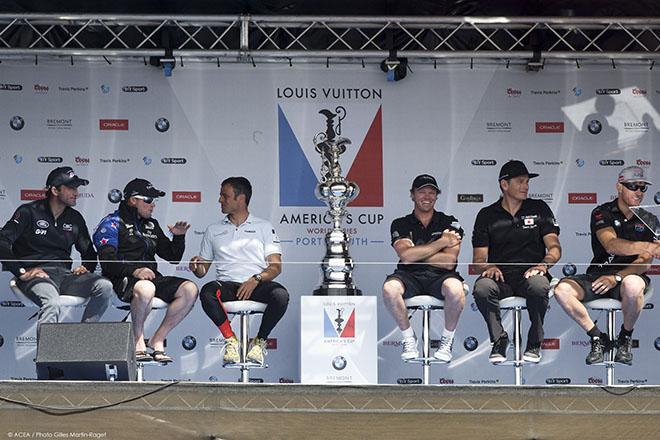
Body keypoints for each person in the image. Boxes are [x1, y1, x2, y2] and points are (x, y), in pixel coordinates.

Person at [554, 166, 660, 366]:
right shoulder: (602, 212)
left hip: (628, 277)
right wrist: (647, 245)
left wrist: (617, 278)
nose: (638, 191)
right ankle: (597, 337)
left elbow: (644, 263)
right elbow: (611, 245)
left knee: (633, 285)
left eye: (643, 188)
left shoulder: (650, 220)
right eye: (632, 186)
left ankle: (625, 338)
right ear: (619, 187)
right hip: (599, 274)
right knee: (562, 290)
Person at [93, 178, 198, 363]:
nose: (153, 205)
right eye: (149, 200)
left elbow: (172, 257)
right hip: (122, 279)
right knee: (146, 288)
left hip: (150, 278)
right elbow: (107, 262)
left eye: (154, 201)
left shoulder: (152, 225)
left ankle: (158, 338)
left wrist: (179, 238)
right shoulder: (111, 223)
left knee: (190, 289)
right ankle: (138, 341)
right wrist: (135, 271)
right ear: (133, 200)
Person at [189, 177, 289, 366]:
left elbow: (276, 267)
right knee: (207, 291)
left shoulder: (264, 227)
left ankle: (259, 342)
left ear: (240, 199)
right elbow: (202, 271)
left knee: (281, 295)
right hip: (227, 286)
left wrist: (256, 279)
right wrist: (196, 266)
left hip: (256, 284)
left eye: (224, 196)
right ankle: (230, 340)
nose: (220, 200)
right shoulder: (213, 230)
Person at [471, 160, 561, 364]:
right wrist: (488, 267)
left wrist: (543, 265)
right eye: (520, 181)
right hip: (501, 278)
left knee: (539, 285)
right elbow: (478, 261)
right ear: (504, 184)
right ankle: (500, 339)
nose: (526, 186)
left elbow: (555, 247)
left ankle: (534, 342)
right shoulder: (486, 215)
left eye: (527, 182)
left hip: (531, 274)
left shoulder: (539, 208)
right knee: (482, 287)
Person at [0, 166, 113, 327]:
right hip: (36, 276)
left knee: (104, 286)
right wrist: (21, 272)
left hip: (65, 276)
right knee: (52, 302)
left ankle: (85, 339)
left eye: (77, 188)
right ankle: (47, 353)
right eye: (71, 188)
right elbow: (2, 242)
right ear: (55, 190)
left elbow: (88, 252)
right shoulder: (28, 212)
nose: (77, 193)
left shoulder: (75, 218)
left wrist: (86, 267)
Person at [382, 174, 466, 362]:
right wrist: (442, 242)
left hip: (441, 276)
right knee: (390, 288)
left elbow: (449, 262)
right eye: (422, 192)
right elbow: (405, 257)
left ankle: (447, 340)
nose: (427, 197)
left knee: (456, 288)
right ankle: (408, 338)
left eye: (431, 192)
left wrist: (417, 254)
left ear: (436, 196)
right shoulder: (400, 223)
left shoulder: (450, 222)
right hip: (409, 276)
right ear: (412, 195)